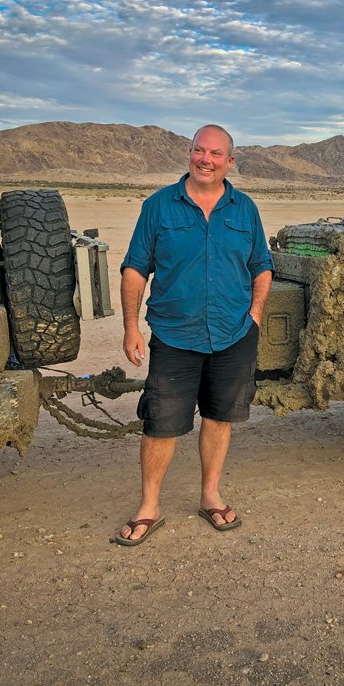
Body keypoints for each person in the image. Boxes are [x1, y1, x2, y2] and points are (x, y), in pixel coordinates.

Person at [115, 124, 274, 545]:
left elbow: (262, 265)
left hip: (233, 333)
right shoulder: (159, 206)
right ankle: (150, 506)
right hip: (173, 334)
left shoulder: (245, 209)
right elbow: (135, 268)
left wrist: (255, 314)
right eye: (199, 151)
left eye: (215, 154)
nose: (206, 160)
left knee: (220, 418)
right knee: (161, 423)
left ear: (229, 161)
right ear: (190, 153)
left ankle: (210, 495)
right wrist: (131, 326)